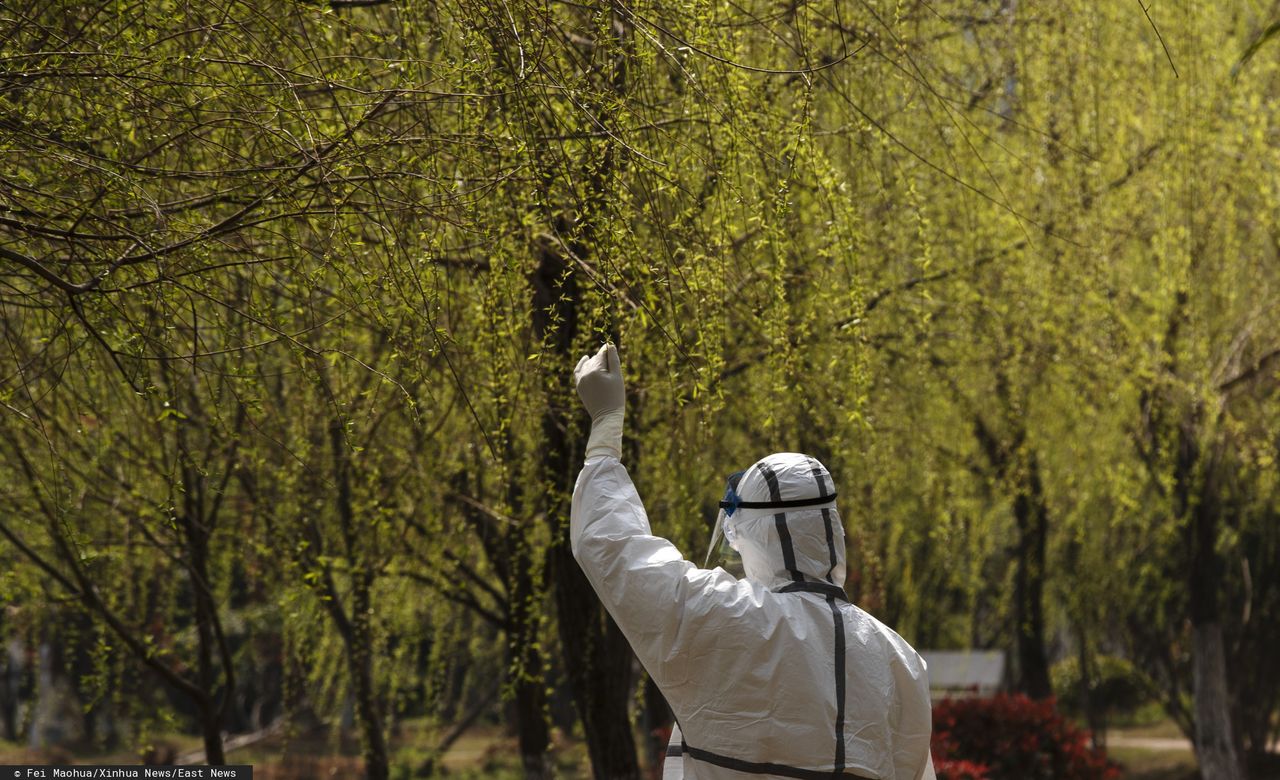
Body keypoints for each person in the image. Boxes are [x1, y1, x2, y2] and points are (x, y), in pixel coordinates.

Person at [571, 344, 937, 780]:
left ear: (758, 538)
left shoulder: (723, 615)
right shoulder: (899, 659)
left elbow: (614, 547)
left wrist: (606, 430)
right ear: (829, 532)